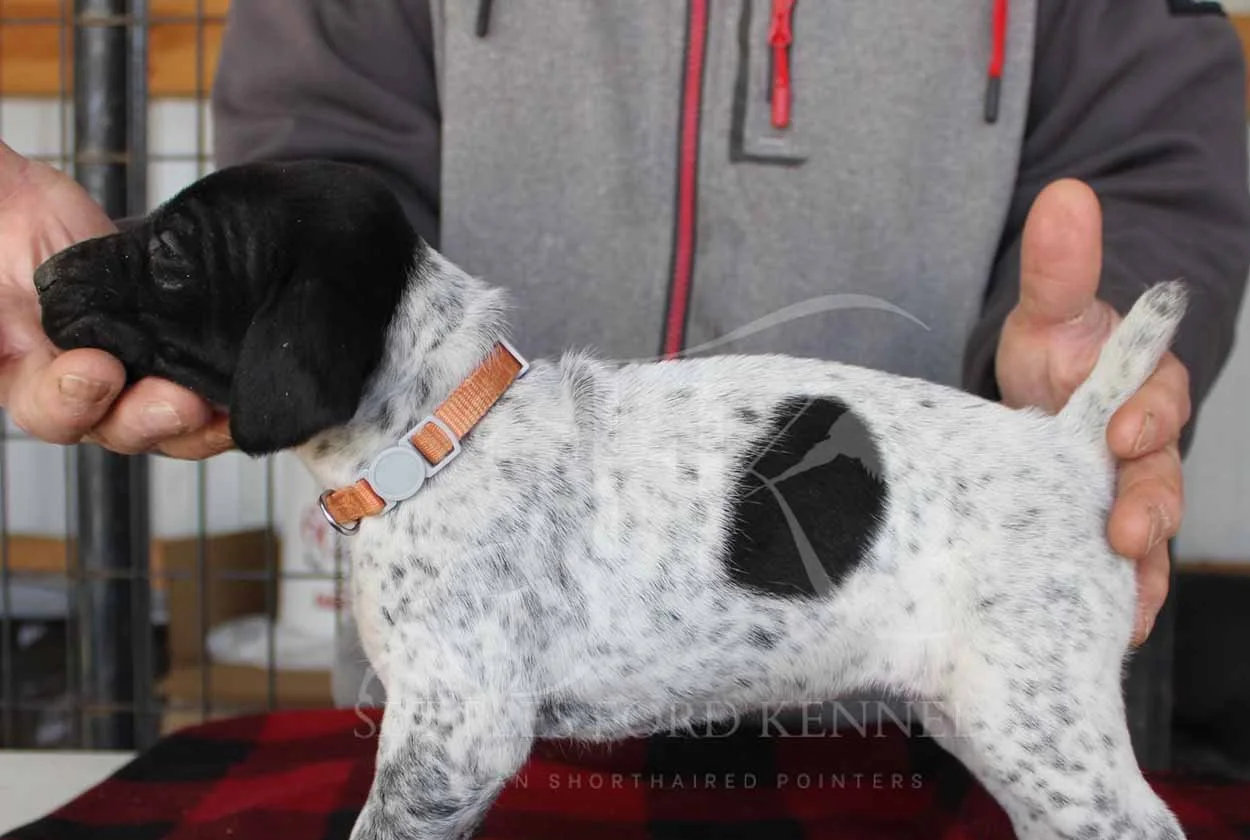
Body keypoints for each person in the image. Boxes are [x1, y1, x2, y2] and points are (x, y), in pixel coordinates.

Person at [1, 2, 1247, 739]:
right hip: (487, 686)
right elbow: (323, 157)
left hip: (941, 660)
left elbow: (1151, 145)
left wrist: (1088, 347)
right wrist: (231, 313)